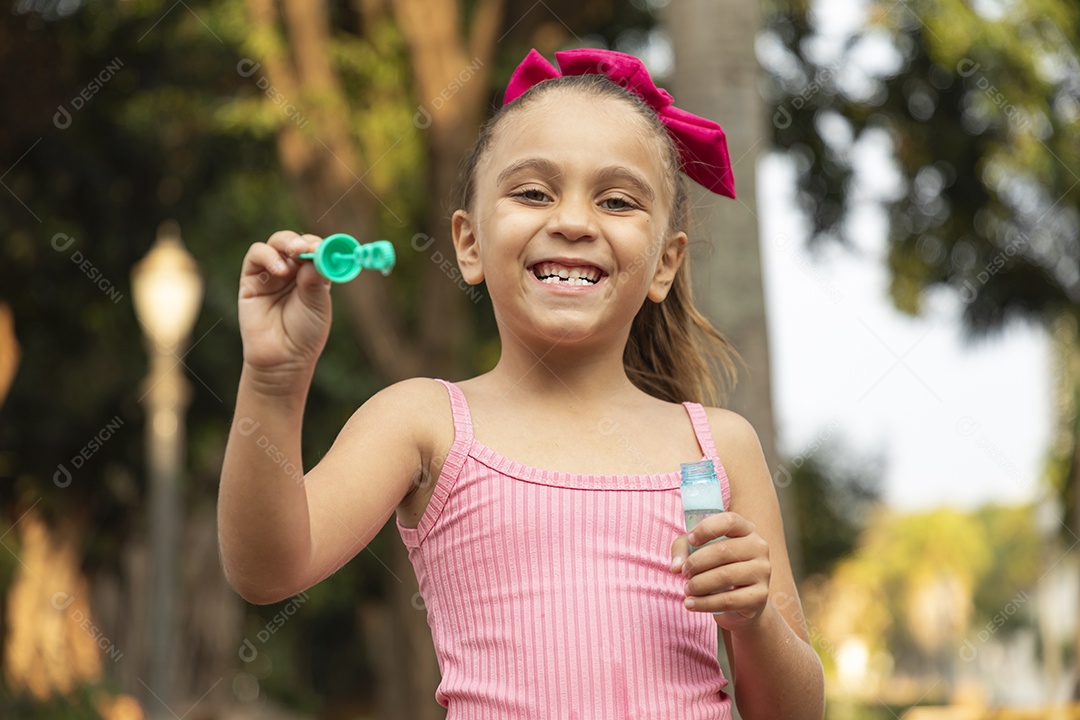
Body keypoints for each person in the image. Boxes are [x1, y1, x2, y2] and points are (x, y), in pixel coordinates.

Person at [219, 47, 825, 719]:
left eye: (617, 200)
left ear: (665, 264)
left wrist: (755, 618)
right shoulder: (425, 422)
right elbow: (268, 570)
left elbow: (795, 713)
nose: (571, 220)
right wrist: (274, 381)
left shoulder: (717, 447)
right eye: (533, 192)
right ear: (470, 244)